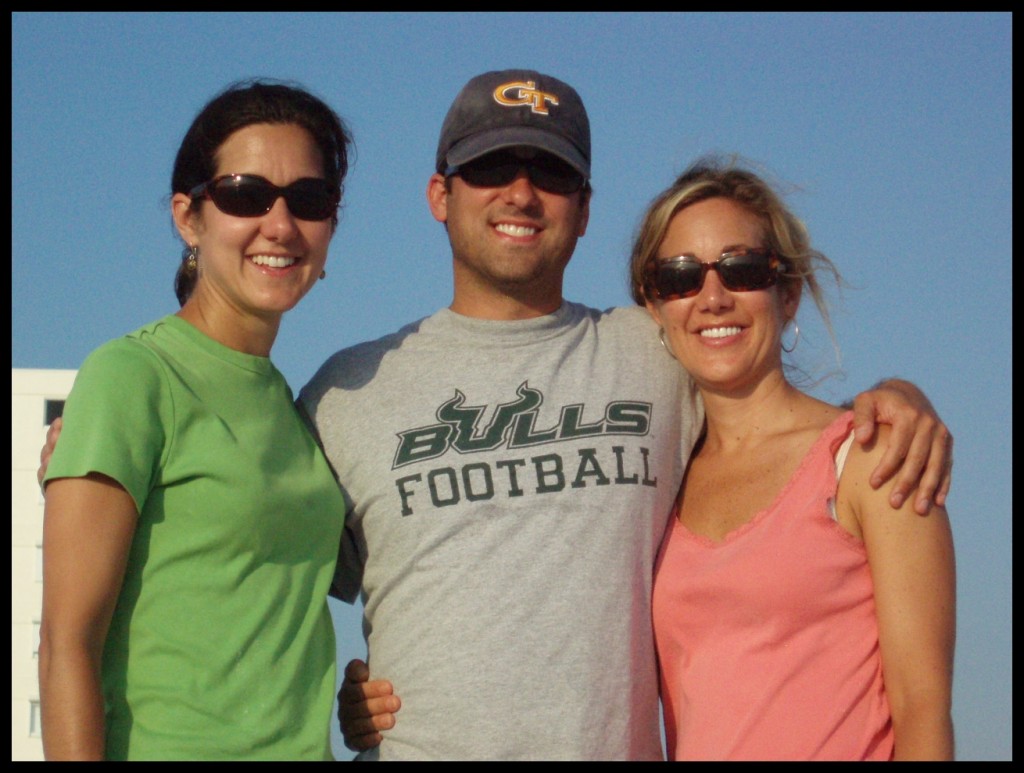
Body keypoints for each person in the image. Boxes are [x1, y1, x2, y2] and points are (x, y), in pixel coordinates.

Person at [300, 70, 952, 760]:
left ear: (584, 210)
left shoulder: (654, 354)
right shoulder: (346, 394)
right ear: (440, 193)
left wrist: (900, 396)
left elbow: (770, 410)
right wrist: (344, 692)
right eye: (491, 166)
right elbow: (267, 592)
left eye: (550, 173)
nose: (520, 193)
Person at [37, 79, 353, 760]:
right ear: (189, 217)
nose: (280, 223)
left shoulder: (302, 412)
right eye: (245, 194)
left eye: (308, 199)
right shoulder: (133, 376)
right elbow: (66, 644)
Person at [631, 159, 956, 759]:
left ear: (789, 294)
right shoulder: (654, 485)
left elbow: (923, 710)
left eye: (742, 268)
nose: (712, 297)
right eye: (679, 277)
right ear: (655, 306)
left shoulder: (873, 457)